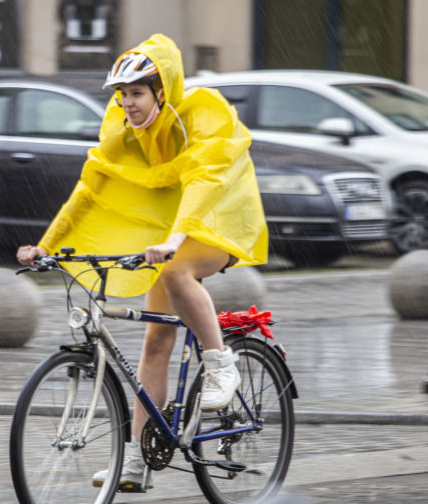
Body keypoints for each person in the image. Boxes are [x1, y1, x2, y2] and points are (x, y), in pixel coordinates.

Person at [17, 33, 268, 492]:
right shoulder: (123, 127)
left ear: (160, 91)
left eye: (136, 93)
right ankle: (134, 461)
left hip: (222, 216)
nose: (127, 103)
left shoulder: (200, 112)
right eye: (122, 95)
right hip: (173, 230)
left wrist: (176, 238)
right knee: (155, 344)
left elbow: (206, 178)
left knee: (174, 271)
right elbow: (89, 186)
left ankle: (221, 363)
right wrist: (45, 244)